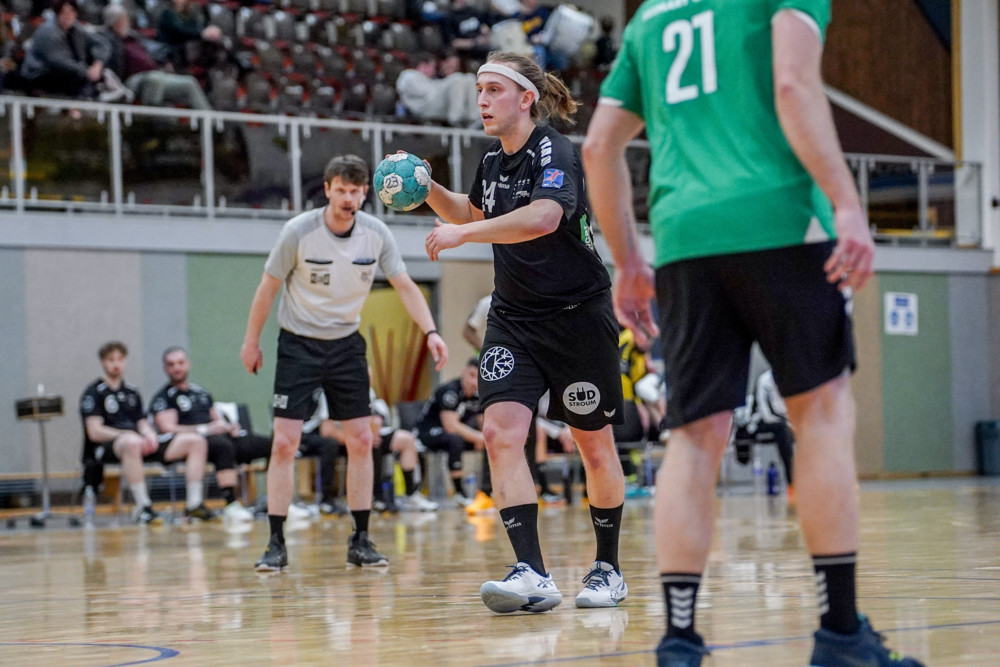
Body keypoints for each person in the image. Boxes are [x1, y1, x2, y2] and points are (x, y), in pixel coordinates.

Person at [582, 1, 922, 665]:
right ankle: (841, 633)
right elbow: (793, 85)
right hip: (782, 219)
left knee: (694, 435)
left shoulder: (651, 16)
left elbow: (599, 146)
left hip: (684, 236)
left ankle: (680, 640)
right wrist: (848, 204)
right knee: (821, 415)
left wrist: (627, 261)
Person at [423, 51, 627, 613]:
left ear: (526, 98)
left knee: (593, 445)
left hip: (578, 317)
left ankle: (607, 570)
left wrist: (464, 236)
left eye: (493, 90)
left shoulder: (555, 151)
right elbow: (470, 212)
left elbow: (544, 217)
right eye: (479, 90)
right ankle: (531, 573)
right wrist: (426, 186)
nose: (482, 101)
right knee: (499, 431)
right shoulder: (493, 160)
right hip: (514, 319)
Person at [241, 154, 448, 572]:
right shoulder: (299, 231)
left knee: (361, 440)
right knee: (284, 442)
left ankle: (361, 539)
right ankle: (276, 542)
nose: (348, 198)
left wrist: (431, 331)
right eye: (341, 190)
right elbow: (268, 287)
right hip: (298, 344)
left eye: (355, 191)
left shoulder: (376, 234)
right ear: (327, 189)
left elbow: (405, 285)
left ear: (366, 192)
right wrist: (251, 341)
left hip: (346, 345)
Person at [80, 341, 212, 524]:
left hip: (138, 442)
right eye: (111, 360)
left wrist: (150, 435)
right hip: (109, 446)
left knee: (196, 441)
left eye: (120, 359)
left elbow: (142, 422)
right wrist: (124, 434)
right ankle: (143, 507)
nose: (116, 364)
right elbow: (95, 432)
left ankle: (194, 505)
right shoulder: (94, 392)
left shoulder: (132, 392)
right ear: (103, 362)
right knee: (131, 443)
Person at [150, 346, 270, 523]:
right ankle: (230, 504)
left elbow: (217, 419)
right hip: (194, 442)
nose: (177, 368)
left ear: (188, 364)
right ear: (165, 368)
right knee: (222, 446)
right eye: (171, 364)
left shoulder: (201, 392)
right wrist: (204, 429)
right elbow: (168, 428)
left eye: (180, 363)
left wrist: (228, 427)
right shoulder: (164, 397)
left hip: (217, 436)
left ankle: (275, 500)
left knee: (268, 444)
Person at [98, 5, 211, 110]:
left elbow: (158, 50)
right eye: (121, 19)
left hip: (155, 74)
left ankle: (211, 122)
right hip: (130, 81)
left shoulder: (135, 37)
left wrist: (165, 60)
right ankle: (153, 120)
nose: (126, 22)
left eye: (125, 18)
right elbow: (107, 64)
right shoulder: (107, 40)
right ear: (112, 22)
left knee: (189, 83)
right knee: (154, 79)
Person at [414, 358, 489, 510]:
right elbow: (450, 426)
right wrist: (479, 437)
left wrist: (485, 438)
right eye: (471, 375)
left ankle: (487, 491)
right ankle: (460, 493)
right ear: (463, 373)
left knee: (490, 443)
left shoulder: (477, 395)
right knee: (455, 439)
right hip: (428, 432)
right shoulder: (450, 391)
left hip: (452, 434)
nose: (474, 382)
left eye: (478, 378)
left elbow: (483, 422)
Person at [20, 0, 107, 99]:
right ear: (57, 13)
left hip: (65, 71)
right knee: (76, 78)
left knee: (98, 75)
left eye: (71, 12)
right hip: (39, 74)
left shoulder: (76, 29)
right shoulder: (47, 32)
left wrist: (98, 63)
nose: (68, 16)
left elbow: (101, 42)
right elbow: (58, 61)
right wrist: (86, 71)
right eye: (64, 13)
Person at [396, 51, 480, 127]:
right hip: (423, 107)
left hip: (434, 103)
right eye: (433, 66)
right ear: (423, 65)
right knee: (456, 78)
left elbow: (435, 89)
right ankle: (455, 118)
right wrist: (444, 86)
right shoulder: (409, 75)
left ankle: (473, 116)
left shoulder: (430, 80)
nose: (434, 70)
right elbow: (425, 92)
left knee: (470, 78)